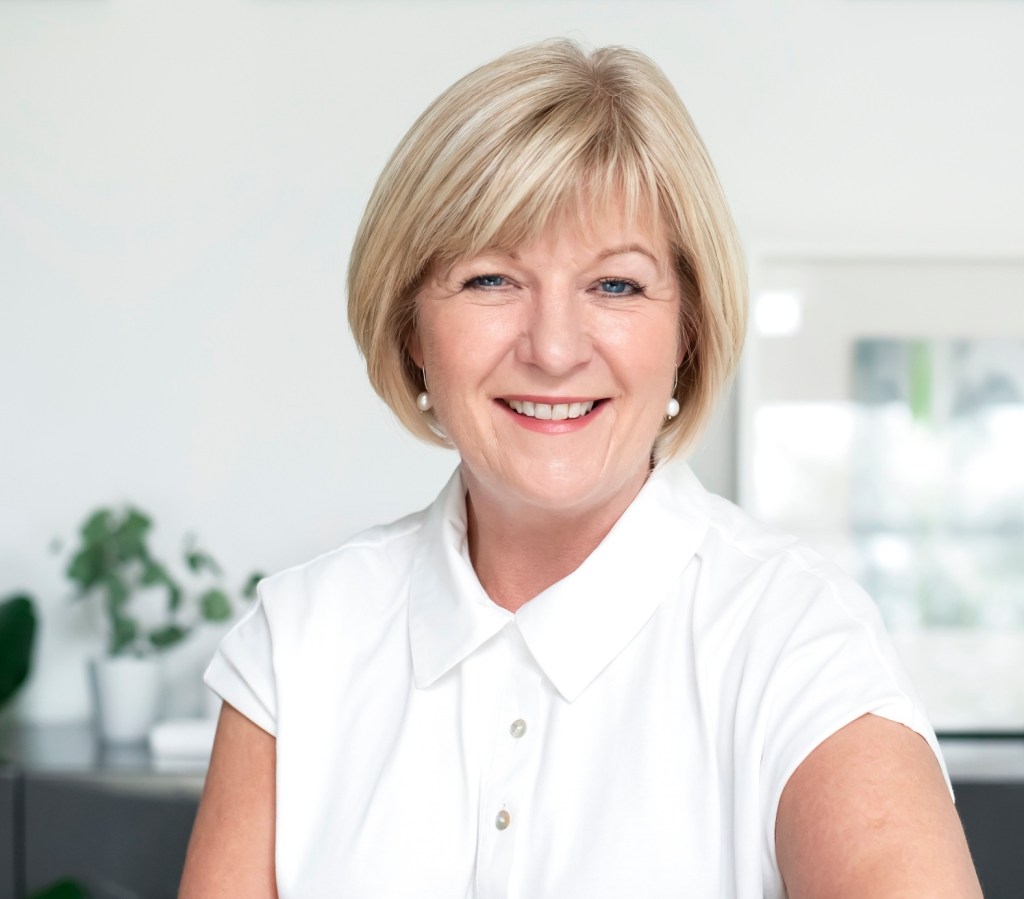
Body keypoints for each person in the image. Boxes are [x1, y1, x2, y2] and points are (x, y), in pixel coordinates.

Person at [180, 40, 981, 898]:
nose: (554, 349)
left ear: (689, 331)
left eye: (617, 287)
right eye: (491, 279)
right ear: (413, 329)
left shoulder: (795, 643)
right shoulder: (296, 643)